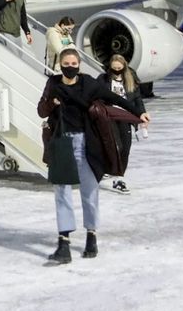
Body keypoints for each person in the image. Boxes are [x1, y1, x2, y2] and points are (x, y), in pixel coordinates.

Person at [38, 49, 149, 264]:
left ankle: (91, 235)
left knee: (89, 190)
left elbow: (114, 98)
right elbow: (42, 110)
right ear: (60, 64)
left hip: (85, 142)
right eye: (66, 62)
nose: (70, 66)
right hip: (61, 142)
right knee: (61, 191)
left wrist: (138, 113)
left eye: (73, 62)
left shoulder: (89, 84)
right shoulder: (53, 84)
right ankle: (64, 242)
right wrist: (52, 103)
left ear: (78, 64)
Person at [96, 54, 145, 194]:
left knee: (126, 148)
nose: (117, 70)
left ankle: (119, 174)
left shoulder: (130, 80)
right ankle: (117, 178)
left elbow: (137, 100)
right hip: (110, 116)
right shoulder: (103, 79)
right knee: (116, 146)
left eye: (119, 68)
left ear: (124, 67)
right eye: (114, 68)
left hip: (125, 117)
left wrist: (142, 114)